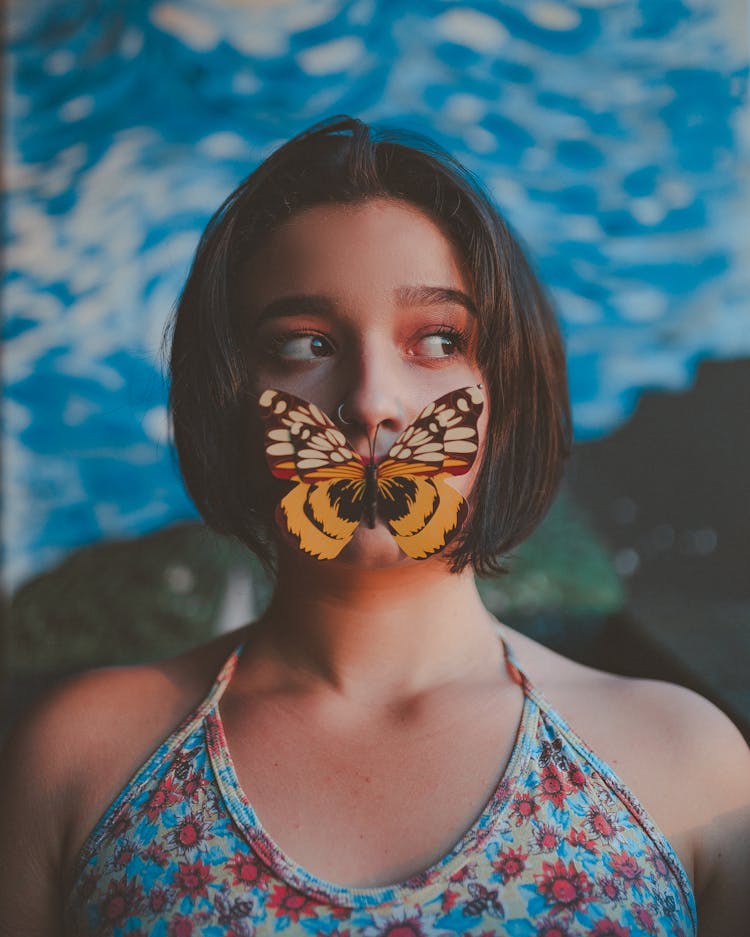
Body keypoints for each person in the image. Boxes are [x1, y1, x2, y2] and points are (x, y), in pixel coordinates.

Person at [1, 116, 748, 937]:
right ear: (231, 400)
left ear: (504, 393)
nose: (370, 401)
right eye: (305, 343)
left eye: (436, 339)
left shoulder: (690, 766)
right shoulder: (81, 760)